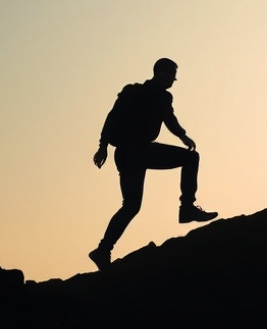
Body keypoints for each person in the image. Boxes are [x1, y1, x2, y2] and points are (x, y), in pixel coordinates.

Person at [89, 58, 217, 270]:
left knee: (190, 157)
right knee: (131, 206)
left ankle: (187, 207)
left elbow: (169, 119)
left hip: (146, 150)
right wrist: (103, 146)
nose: (174, 79)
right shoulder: (133, 92)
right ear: (160, 73)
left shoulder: (164, 98)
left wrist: (183, 137)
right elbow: (113, 117)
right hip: (130, 152)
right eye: (171, 75)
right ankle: (103, 250)